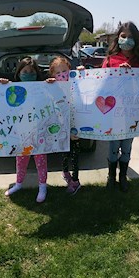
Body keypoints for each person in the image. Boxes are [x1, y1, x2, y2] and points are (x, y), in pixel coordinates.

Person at [101, 21, 139, 192]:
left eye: (131, 37)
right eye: (123, 36)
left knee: (127, 147)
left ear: (136, 40)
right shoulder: (109, 60)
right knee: (113, 146)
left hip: (132, 113)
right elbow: (101, 84)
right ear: (118, 38)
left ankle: (123, 177)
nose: (127, 39)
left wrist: (133, 75)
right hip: (113, 112)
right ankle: (111, 177)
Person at [0, 57, 48, 203]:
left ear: (37, 73)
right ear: (19, 73)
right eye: (25, 71)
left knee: (41, 161)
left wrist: (51, 84)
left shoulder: (41, 88)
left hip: (38, 132)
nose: (28, 74)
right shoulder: (13, 89)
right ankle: (19, 183)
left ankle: (43, 187)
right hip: (20, 133)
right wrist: (2, 85)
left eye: (32, 72)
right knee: (20, 160)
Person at [46, 56, 84, 195]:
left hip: (75, 127)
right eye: (57, 72)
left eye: (64, 70)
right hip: (61, 128)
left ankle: (75, 181)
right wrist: (48, 84)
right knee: (63, 153)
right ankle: (65, 173)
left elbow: (88, 83)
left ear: (70, 69)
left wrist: (82, 72)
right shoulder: (52, 86)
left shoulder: (76, 82)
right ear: (52, 75)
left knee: (75, 155)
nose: (62, 74)